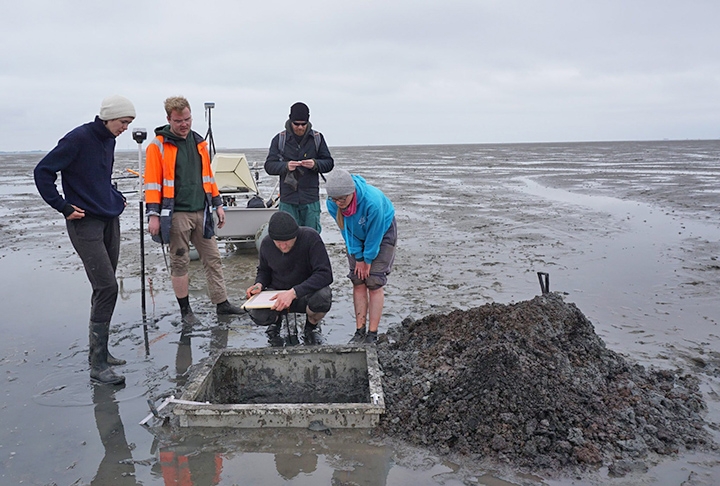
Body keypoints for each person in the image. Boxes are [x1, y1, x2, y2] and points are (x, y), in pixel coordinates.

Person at [34, 95, 136, 385]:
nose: (125, 128)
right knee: (107, 286)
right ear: (108, 117)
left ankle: (99, 353)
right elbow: (43, 171)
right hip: (84, 222)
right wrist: (63, 206)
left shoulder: (109, 140)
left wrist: (115, 197)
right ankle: (98, 366)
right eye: (123, 122)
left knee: (103, 286)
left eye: (129, 123)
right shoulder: (77, 139)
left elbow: (101, 177)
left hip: (108, 218)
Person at [145, 96, 243, 326]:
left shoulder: (200, 143)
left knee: (213, 258)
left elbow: (209, 178)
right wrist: (153, 216)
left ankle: (222, 304)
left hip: (202, 212)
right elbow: (152, 183)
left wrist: (219, 205)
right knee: (180, 262)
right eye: (179, 121)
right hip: (176, 214)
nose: (184, 124)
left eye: (187, 119)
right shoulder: (157, 145)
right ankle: (185, 311)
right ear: (169, 119)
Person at [324, 169, 397, 345]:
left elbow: (375, 234)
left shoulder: (372, 202)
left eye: (343, 198)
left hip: (382, 231)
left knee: (374, 282)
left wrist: (368, 259)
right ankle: (360, 331)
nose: (339, 203)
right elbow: (346, 230)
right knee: (358, 280)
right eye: (335, 199)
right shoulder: (332, 204)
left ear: (352, 193)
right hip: (354, 235)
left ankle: (372, 334)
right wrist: (358, 257)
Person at [245, 211, 333, 346]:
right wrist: (259, 284)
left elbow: (325, 274)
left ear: (295, 236)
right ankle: (275, 322)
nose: (283, 246)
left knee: (323, 297)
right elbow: (264, 271)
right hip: (277, 293)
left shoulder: (310, 238)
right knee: (258, 314)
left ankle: (312, 325)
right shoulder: (267, 244)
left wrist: (293, 293)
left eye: (287, 242)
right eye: (278, 242)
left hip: (305, 292)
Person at [264, 102, 334, 232]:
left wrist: (315, 164)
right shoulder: (279, 139)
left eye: (303, 124)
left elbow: (329, 163)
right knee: (287, 235)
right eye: (297, 124)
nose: (300, 127)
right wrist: (285, 166)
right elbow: (269, 166)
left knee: (312, 236)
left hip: (310, 199)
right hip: (288, 199)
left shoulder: (317, 138)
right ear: (290, 121)